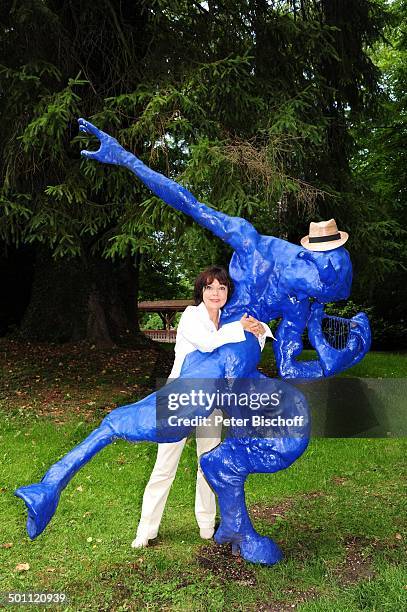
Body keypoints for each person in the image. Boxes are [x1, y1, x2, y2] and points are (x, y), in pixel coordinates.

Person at [132, 265, 274, 548]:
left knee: (208, 462)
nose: (216, 293)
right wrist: (241, 328)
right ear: (201, 290)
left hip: (212, 400)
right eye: (210, 287)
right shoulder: (191, 316)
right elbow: (208, 344)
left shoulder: (229, 318)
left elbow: (251, 344)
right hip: (180, 399)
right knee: (164, 465)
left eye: (222, 288)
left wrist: (259, 330)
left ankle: (207, 525)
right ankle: (145, 531)